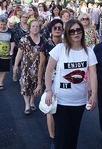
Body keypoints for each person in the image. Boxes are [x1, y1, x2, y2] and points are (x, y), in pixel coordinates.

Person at [44, 19, 98, 149]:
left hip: (79, 101)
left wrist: (94, 94)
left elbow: (93, 74)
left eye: (79, 30)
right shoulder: (60, 49)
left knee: (73, 135)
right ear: (67, 33)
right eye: (72, 31)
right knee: (62, 135)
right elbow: (49, 70)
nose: (76, 33)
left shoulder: (89, 52)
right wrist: (48, 90)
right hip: (61, 99)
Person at [36, 19, 63, 149]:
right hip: (50, 81)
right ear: (51, 31)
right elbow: (42, 66)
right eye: (55, 28)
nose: (57, 30)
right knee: (51, 110)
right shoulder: (45, 46)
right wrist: (40, 84)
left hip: (65, 81)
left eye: (60, 28)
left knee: (63, 110)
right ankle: (52, 137)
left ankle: (61, 134)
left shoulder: (68, 45)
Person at [13, 20, 45, 115]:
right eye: (33, 26)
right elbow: (19, 53)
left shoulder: (44, 40)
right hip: (26, 66)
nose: (35, 28)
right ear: (30, 28)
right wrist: (15, 66)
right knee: (25, 85)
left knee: (35, 85)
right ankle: (27, 105)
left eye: (37, 26)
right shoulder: (24, 39)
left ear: (39, 28)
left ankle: (32, 101)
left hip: (39, 67)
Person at [11, 12, 29, 82]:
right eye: (23, 17)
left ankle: (23, 76)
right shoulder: (16, 26)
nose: (24, 18)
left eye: (26, 17)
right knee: (15, 61)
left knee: (24, 62)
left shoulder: (29, 26)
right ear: (20, 18)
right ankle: (14, 74)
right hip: (16, 46)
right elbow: (12, 36)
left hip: (26, 47)